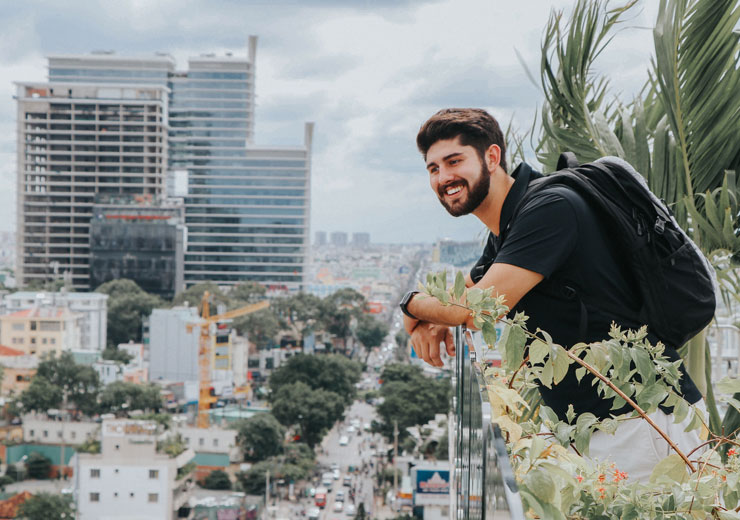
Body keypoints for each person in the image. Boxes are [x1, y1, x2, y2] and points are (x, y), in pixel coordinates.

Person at [400, 108, 705, 481]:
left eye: (454, 161)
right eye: (433, 169)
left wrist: (411, 306)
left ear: (492, 157)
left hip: (643, 421)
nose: (444, 177)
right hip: (601, 425)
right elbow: (468, 292)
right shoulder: (509, 227)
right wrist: (429, 318)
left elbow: (476, 310)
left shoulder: (549, 209)